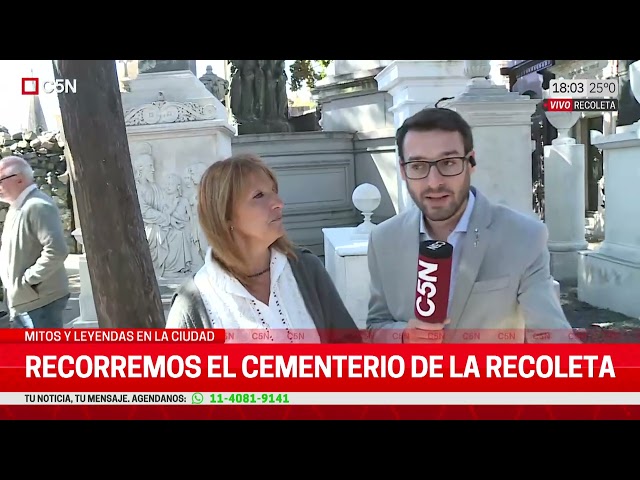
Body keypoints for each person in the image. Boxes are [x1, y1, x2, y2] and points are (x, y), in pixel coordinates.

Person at [366, 107, 577, 343]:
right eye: (418, 166)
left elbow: (552, 336)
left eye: (448, 163)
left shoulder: (523, 237)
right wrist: (404, 336)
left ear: (471, 162)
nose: (434, 182)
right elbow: (375, 326)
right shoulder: (383, 240)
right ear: (403, 170)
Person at [166, 153, 361, 343]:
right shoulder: (193, 304)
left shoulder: (306, 270)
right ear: (225, 216)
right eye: (259, 195)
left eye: (274, 191)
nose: (278, 203)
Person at [0, 156, 70, 328]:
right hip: (27, 301)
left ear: (19, 179)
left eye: (0, 180)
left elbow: (57, 250)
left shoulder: (37, 206)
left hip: (40, 303)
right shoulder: (17, 207)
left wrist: (29, 281)